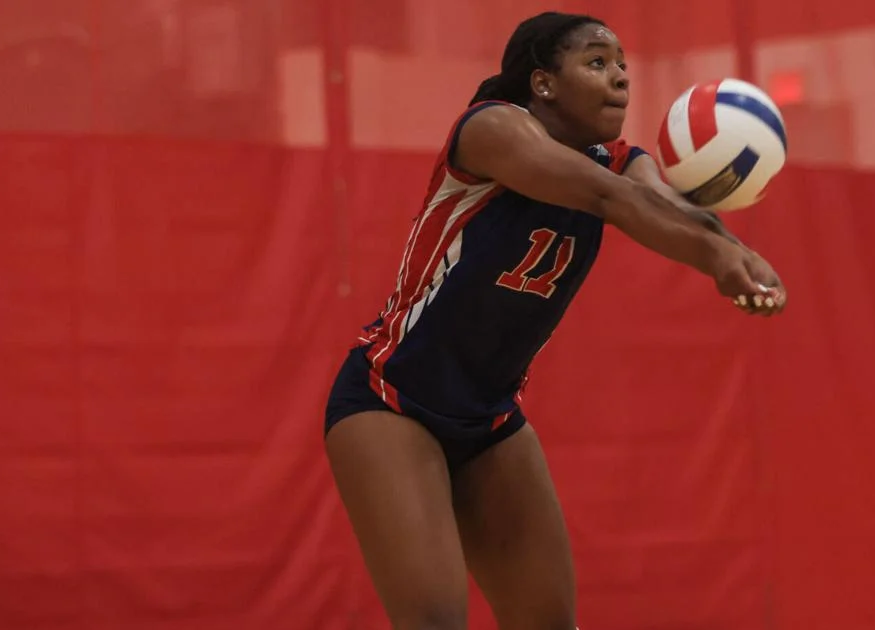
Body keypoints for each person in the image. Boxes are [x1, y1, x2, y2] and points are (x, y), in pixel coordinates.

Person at [323, 11, 787, 630]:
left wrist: (741, 256)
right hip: (391, 401)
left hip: (489, 420)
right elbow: (610, 198)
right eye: (597, 63)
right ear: (543, 83)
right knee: (434, 621)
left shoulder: (618, 161)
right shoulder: (492, 132)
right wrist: (720, 257)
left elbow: (664, 204)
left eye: (623, 64)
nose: (619, 78)